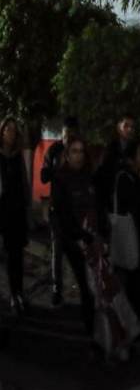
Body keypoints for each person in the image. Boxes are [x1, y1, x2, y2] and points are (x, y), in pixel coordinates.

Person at [50, 135, 97, 338]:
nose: (79, 156)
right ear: (67, 155)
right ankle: (92, 331)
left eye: (81, 151)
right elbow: (62, 215)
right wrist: (80, 236)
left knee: (98, 286)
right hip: (74, 240)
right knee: (86, 286)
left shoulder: (88, 176)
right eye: (74, 151)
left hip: (92, 236)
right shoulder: (61, 178)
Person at [112, 140, 140, 338]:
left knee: (139, 284)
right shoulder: (125, 178)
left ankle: (139, 323)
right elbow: (135, 205)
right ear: (130, 159)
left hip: (139, 237)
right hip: (133, 238)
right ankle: (137, 326)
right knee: (135, 286)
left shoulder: (133, 177)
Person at [41, 117, 82, 307]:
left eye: (72, 135)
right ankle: (57, 289)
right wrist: (57, 167)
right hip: (57, 208)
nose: (68, 138)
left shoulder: (81, 150)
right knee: (57, 250)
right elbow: (43, 176)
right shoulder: (54, 150)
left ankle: (85, 289)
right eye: (66, 135)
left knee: (80, 251)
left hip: (78, 209)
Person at [0, 117, 30, 315]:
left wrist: (27, 208)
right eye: (7, 129)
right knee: (10, 255)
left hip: (18, 212)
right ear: (1, 132)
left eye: (13, 130)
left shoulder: (18, 156)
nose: (10, 133)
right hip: (3, 212)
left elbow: (24, 183)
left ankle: (19, 293)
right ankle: (13, 294)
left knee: (18, 255)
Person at [95, 114, 139, 218]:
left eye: (132, 127)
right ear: (119, 128)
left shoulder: (136, 147)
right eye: (126, 126)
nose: (129, 130)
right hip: (113, 198)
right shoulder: (110, 147)